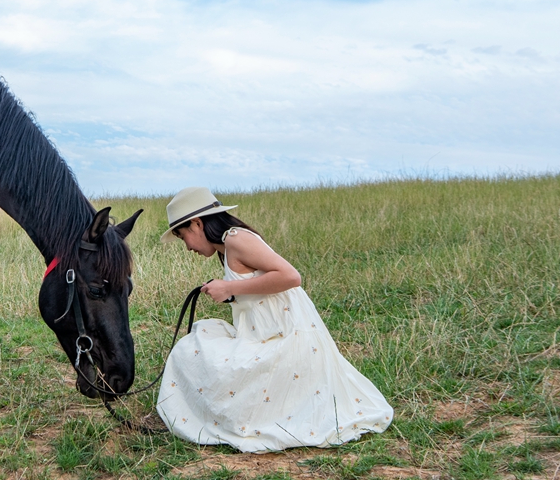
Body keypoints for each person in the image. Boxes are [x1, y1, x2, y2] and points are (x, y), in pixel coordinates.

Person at [156, 187, 392, 451]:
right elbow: (260, 290)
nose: (187, 247)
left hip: (286, 339)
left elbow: (291, 277)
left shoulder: (236, 239)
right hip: (267, 335)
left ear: (197, 223)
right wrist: (229, 295)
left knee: (192, 349)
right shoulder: (227, 246)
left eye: (183, 236)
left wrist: (229, 288)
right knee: (202, 335)